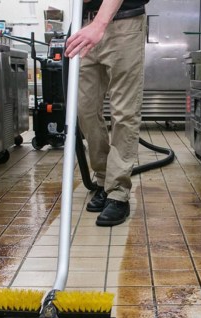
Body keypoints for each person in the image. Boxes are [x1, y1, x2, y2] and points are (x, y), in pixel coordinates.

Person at [65, 0, 149, 226]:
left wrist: (100, 24)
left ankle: (118, 192)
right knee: (85, 109)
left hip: (124, 22)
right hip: (85, 25)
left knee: (124, 112)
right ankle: (103, 179)